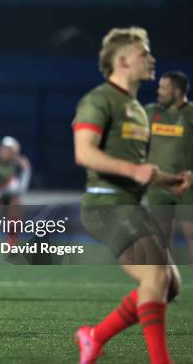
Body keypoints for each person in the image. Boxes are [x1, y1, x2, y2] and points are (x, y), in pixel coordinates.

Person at [72, 27, 187, 364]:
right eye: (144, 53)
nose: (151, 59)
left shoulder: (137, 109)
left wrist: (171, 180)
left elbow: (140, 168)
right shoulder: (98, 100)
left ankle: (94, 336)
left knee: (170, 286)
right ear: (122, 61)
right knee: (156, 276)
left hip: (130, 204)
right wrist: (135, 172)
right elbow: (85, 154)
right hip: (104, 203)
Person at [145, 71, 193, 265]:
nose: (159, 92)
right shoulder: (151, 112)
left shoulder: (190, 113)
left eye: (163, 88)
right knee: (160, 241)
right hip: (158, 187)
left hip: (187, 186)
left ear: (178, 91)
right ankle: (167, 286)